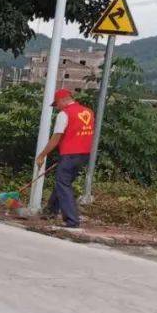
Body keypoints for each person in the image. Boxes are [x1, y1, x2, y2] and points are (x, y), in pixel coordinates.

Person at [35, 88, 95, 231]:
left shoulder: (64, 114)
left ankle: (72, 220)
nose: (57, 108)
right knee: (63, 182)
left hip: (70, 154)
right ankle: (50, 212)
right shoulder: (88, 111)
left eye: (57, 104)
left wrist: (42, 154)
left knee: (63, 184)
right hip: (84, 155)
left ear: (63, 100)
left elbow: (56, 137)